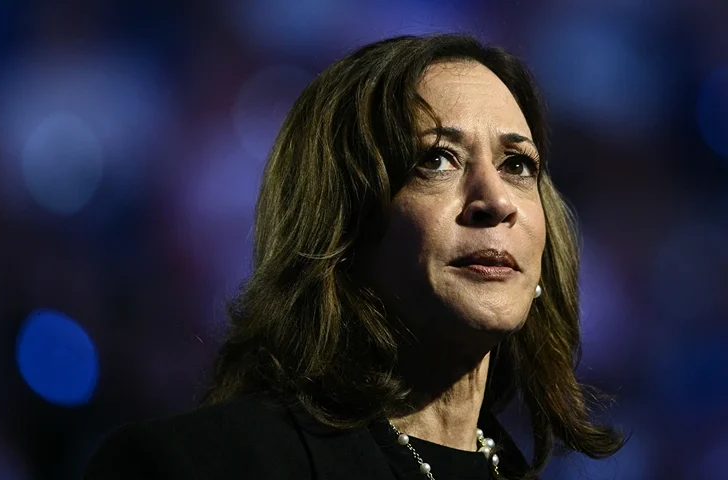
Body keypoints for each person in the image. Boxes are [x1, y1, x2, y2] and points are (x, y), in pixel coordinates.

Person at [84, 33, 624, 480]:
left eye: (518, 165)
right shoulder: (193, 466)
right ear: (340, 224)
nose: (496, 201)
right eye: (437, 159)